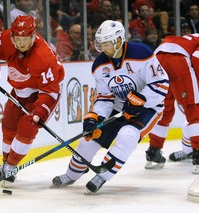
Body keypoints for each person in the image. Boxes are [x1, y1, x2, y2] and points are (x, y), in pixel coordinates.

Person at [51, 20, 169, 193]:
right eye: (99, 43)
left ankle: (102, 175)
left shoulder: (141, 53)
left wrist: (142, 99)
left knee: (127, 135)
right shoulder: (99, 65)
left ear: (119, 41)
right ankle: (72, 174)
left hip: (149, 107)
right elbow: (105, 97)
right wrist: (95, 117)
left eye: (105, 44)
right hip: (119, 106)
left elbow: (161, 83)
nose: (101, 48)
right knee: (89, 139)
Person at [0, 15, 65, 187]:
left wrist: (40, 111)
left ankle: (11, 166)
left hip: (45, 90)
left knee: (28, 125)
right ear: (12, 36)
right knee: (9, 123)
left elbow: (50, 92)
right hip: (21, 87)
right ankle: (5, 163)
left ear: (33, 36)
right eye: (17, 39)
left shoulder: (43, 56)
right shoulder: (6, 38)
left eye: (25, 39)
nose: (21, 43)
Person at [144, 34, 199, 174]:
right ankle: (198, 155)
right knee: (193, 108)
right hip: (177, 60)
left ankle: (153, 152)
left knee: (164, 109)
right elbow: (197, 59)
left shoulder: (190, 37)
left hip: (157, 58)